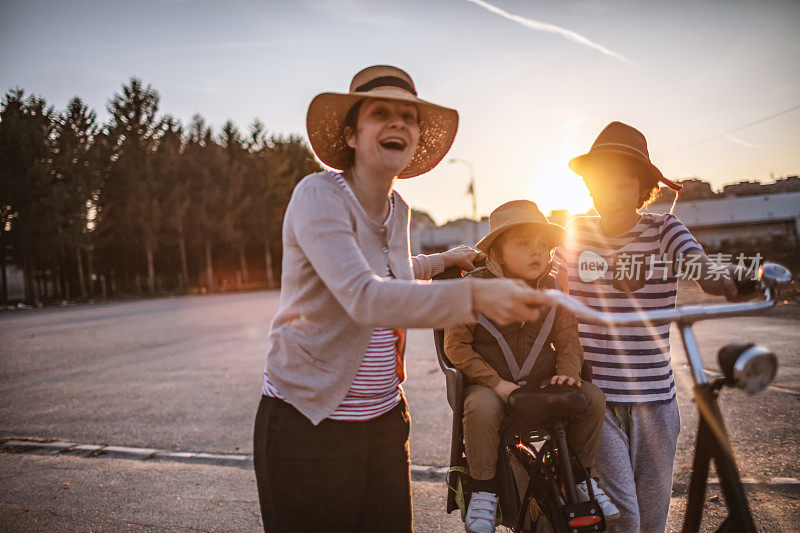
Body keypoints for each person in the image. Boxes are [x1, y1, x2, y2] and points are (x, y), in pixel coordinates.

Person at [252, 65, 548, 532]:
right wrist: (476, 296)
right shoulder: (318, 196)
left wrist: (444, 259)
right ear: (351, 135)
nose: (398, 124)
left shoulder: (397, 208)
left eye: (408, 116)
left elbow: (393, 273)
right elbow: (364, 296)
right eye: (380, 113)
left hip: (385, 419)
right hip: (310, 422)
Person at [554, 121, 749, 532]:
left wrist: (729, 281)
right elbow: (551, 280)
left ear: (643, 189)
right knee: (625, 514)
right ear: (589, 186)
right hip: (598, 400)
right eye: (601, 183)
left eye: (623, 184)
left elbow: (700, 267)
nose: (610, 193)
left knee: (653, 518)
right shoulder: (577, 232)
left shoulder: (665, 230)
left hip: (656, 400)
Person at [444, 200, 619, 533]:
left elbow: (568, 338)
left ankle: (580, 478)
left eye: (542, 245)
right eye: (524, 244)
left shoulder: (553, 287)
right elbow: (456, 347)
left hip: (542, 380)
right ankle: (484, 490)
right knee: (480, 407)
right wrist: (496, 383)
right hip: (492, 386)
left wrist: (567, 373)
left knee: (593, 397)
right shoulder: (471, 288)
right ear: (496, 251)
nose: (537, 252)